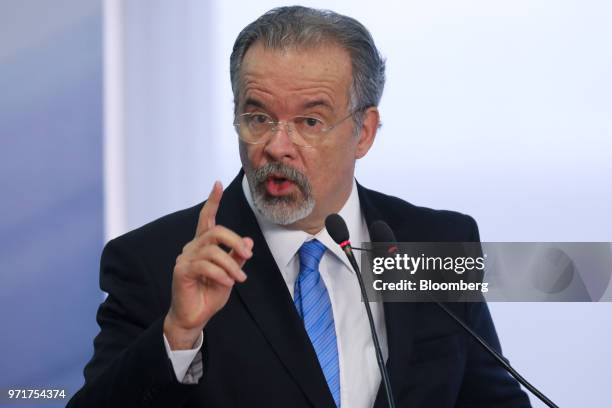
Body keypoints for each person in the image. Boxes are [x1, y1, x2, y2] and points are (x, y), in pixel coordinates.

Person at [68, 6, 530, 408]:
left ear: (364, 131)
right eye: (258, 117)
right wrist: (178, 334)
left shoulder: (432, 244)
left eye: (310, 120)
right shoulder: (157, 262)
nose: (277, 146)